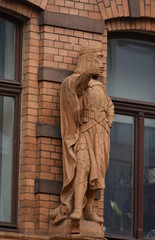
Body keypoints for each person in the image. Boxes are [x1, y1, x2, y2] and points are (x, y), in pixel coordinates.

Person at [50, 43, 114, 224]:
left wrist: (109, 120)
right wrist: (86, 73)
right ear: (88, 59)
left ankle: (88, 208)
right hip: (85, 132)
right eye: (99, 58)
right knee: (83, 167)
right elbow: (77, 88)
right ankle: (77, 208)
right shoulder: (73, 81)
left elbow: (110, 105)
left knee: (98, 172)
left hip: (101, 136)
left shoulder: (100, 86)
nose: (102, 63)